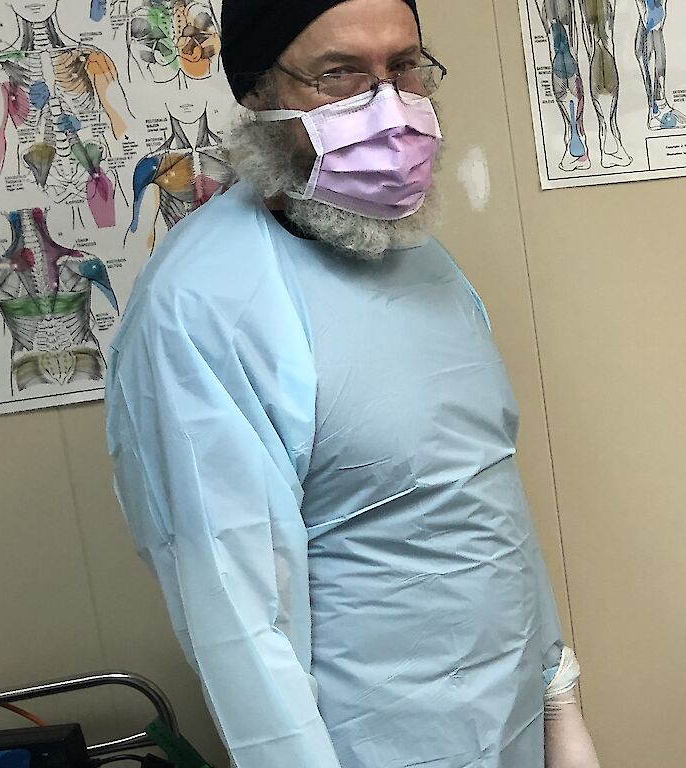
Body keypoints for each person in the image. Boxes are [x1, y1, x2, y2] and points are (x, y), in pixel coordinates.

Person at [103, 1, 601, 766]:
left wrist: (557, 696)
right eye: (340, 75)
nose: (390, 109)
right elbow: (238, 622)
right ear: (259, 92)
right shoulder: (206, 305)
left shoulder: (421, 260)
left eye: (404, 67)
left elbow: (486, 489)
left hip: (511, 726)